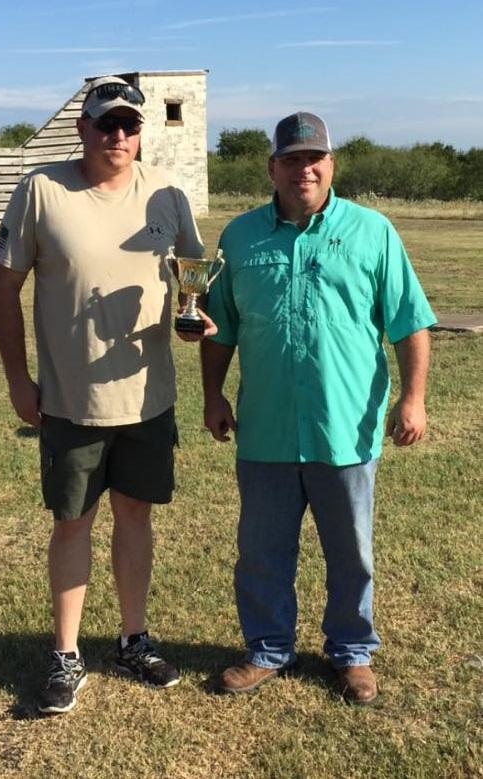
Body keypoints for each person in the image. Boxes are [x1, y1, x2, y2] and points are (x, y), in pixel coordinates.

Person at [0, 76, 215, 715]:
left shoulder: (168, 195)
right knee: (72, 523)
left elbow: (193, 285)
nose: (119, 136)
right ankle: (66, 655)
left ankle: (133, 639)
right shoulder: (41, 190)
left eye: (130, 126)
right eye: (107, 124)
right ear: (83, 128)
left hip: (148, 397)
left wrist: (195, 319)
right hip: (69, 400)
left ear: (141, 133)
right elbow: (3, 288)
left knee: (136, 517)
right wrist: (17, 378)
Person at [201, 111, 436, 704]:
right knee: (260, 550)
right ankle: (267, 648)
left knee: (351, 550)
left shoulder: (372, 232)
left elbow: (409, 323)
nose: (303, 169)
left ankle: (352, 652)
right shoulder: (240, 237)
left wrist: (413, 399)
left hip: (344, 428)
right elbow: (219, 328)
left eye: (315, 158)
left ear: (331, 165)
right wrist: (212, 395)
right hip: (267, 429)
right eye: (291, 159)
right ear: (272, 167)